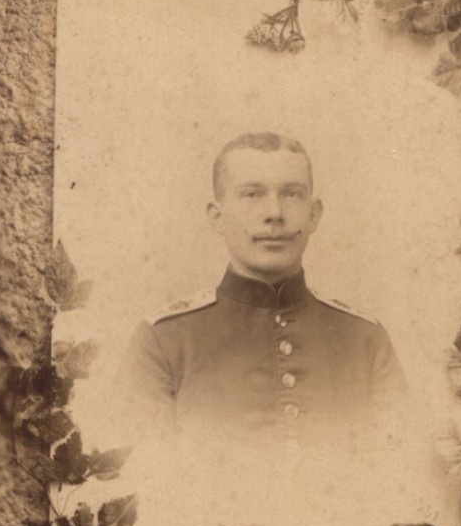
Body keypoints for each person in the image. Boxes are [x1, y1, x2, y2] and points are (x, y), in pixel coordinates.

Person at [124, 131, 409, 458]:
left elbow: (401, 473)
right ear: (217, 216)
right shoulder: (162, 341)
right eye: (252, 194)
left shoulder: (365, 339)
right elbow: (144, 484)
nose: (274, 212)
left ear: (313, 214)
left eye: (292, 194)